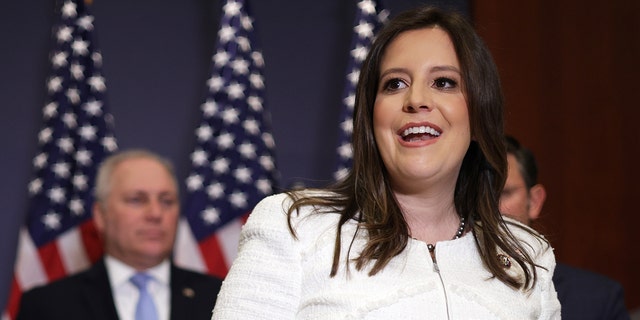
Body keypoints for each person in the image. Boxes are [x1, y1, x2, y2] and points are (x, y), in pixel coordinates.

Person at [212, 6, 560, 319]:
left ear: (479, 113)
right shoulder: (293, 228)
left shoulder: (527, 253)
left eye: (444, 82)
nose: (417, 100)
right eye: (394, 84)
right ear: (371, 117)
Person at [17, 149, 222, 320]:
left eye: (167, 201)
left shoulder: (221, 298)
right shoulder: (48, 306)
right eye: (137, 200)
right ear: (101, 215)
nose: (156, 214)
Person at [501, 135, 631, 320]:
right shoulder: (447, 291)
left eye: (503, 193)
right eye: (478, 194)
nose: (488, 206)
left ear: (535, 201)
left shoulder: (598, 300)